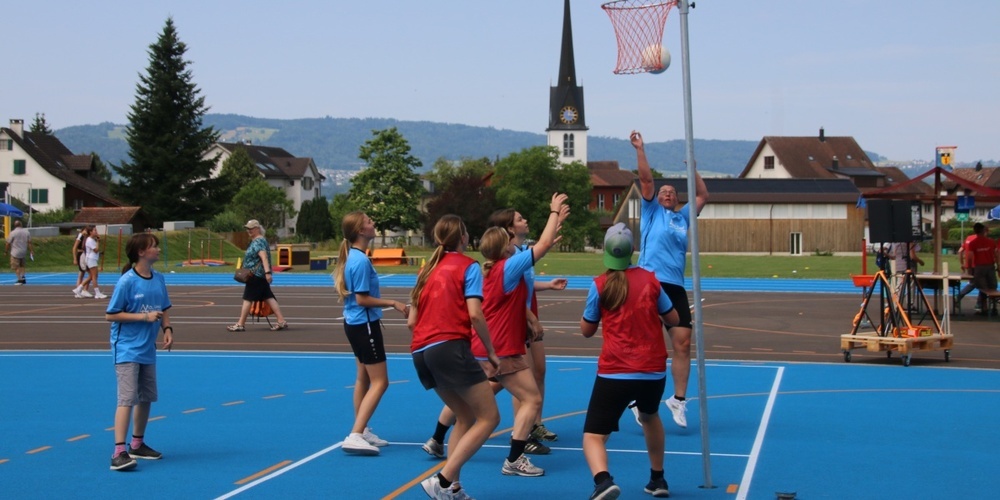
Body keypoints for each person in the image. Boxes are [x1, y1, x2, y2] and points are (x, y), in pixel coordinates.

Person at [580, 223, 680, 499]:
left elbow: (586, 331)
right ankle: (658, 479)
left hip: (615, 371)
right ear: (632, 250)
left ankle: (603, 481)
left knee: (593, 434)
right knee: (650, 416)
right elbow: (673, 318)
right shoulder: (651, 281)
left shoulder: (600, 284)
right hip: (652, 370)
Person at [408, 214, 500, 500]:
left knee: (464, 415)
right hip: (448, 347)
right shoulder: (468, 267)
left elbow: (412, 321)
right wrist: (491, 352)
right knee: (490, 417)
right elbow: (474, 314)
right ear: (462, 237)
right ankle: (444, 480)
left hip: (421, 352)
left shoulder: (427, 270)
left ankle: (453, 487)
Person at [632, 130, 708, 428]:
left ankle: (677, 400)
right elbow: (647, 181)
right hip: (649, 283)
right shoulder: (651, 213)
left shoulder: (682, 217)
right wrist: (640, 149)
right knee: (647, 344)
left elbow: (702, 195)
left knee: (683, 342)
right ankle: (639, 400)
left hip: (674, 287)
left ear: (677, 200)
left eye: (672, 192)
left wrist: (693, 168)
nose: (667, 193)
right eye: (663, 191)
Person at [488, 207, 567, 446]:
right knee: (520, 380)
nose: (526, 220)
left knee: (538, 371)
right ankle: (520, 433)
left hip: (530, 316)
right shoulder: (509, 258)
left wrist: (548, 285)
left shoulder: (521, 251)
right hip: (519, 321)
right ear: (510, 228)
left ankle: (535, 424)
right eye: (520, 219)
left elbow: (528, 284)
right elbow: (513, 294)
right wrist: (553, 212)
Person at [332, 211, 409, 456]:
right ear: (360, 231)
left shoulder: (353, 257)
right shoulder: (360, 261)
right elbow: (362, 299)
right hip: (364, 325)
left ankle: (362, 429)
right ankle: (355, 434)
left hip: (354, 324)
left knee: (363, 378)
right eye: (368, 221)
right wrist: (394, 303)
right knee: (381, 381)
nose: (372, 223)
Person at [105, 233, 174, 471]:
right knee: (127, 399)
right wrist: (143, 317)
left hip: (147, 348)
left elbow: (164, 306)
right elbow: (111, 314)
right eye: (153, 246)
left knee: (146, 397)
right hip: (126, 347)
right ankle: (118, 451)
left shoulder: (159, 278)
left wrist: (167, 328)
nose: (157, 249)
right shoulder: (126, 281)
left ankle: (137, 443)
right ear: (141, 252)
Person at [227, 220, 288, 331]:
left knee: (247, 298)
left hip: (256, 275)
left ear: (257, 229)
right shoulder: (258, 240)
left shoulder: (258, 242)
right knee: (268, 297)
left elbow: (263, 257)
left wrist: (267, 272)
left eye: (251, 228)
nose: (248, 230)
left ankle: (240, 324)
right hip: (260, 275)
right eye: (247, 228)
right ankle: (281, 321)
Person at [959, 223, 998, 315]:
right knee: (992, 287)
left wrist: (967, 266)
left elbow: (968, 256)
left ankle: (983, 307)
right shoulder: (991, 241)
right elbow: (996, 254)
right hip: (989, 266)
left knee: (982, 287)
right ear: (984, 230)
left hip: (978, 267)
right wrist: (998, 265)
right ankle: (991, 307)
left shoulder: (972, 242)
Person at [957, 223, 987, 312]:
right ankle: (979, 304)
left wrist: (962, 263)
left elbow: (960, 251)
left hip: (969, 265)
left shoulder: (969, 238)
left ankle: (980, 304)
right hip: (978, 265)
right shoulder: (981, 240)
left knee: (976, 283)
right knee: (980, 284)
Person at [80, 228, 107, 299]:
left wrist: (100, 253)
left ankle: (78, 289)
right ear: (90, 232)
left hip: (92, 259)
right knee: (94, 276)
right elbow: (95, 250)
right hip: (91, 259)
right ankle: (97, 293)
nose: (96, 232)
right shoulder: (89, 240)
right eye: (95, 230)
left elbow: (95, 251)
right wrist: (98, 241)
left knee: (92, 276)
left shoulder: (92, 240)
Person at [5, 220, 33, 285]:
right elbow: (29, 243)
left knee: (16, 266)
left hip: (15, 252)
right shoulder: (26, 232)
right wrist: (31, 250)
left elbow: (8, 243)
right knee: (22, 265)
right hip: (23, 251)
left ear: (15, 225)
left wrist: (6, 251)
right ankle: (23, 277)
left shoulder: (13, 233)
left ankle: (19, 279)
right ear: (21, 225)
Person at [72, 225, 96, 297]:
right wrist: (75, 258)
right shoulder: (80, 236)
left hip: (86, 254)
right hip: (81, 255)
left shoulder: (88, 237)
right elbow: (74, 248)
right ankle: (81, 290)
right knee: (87, 274)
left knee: (82, 274)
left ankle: (81, 290)